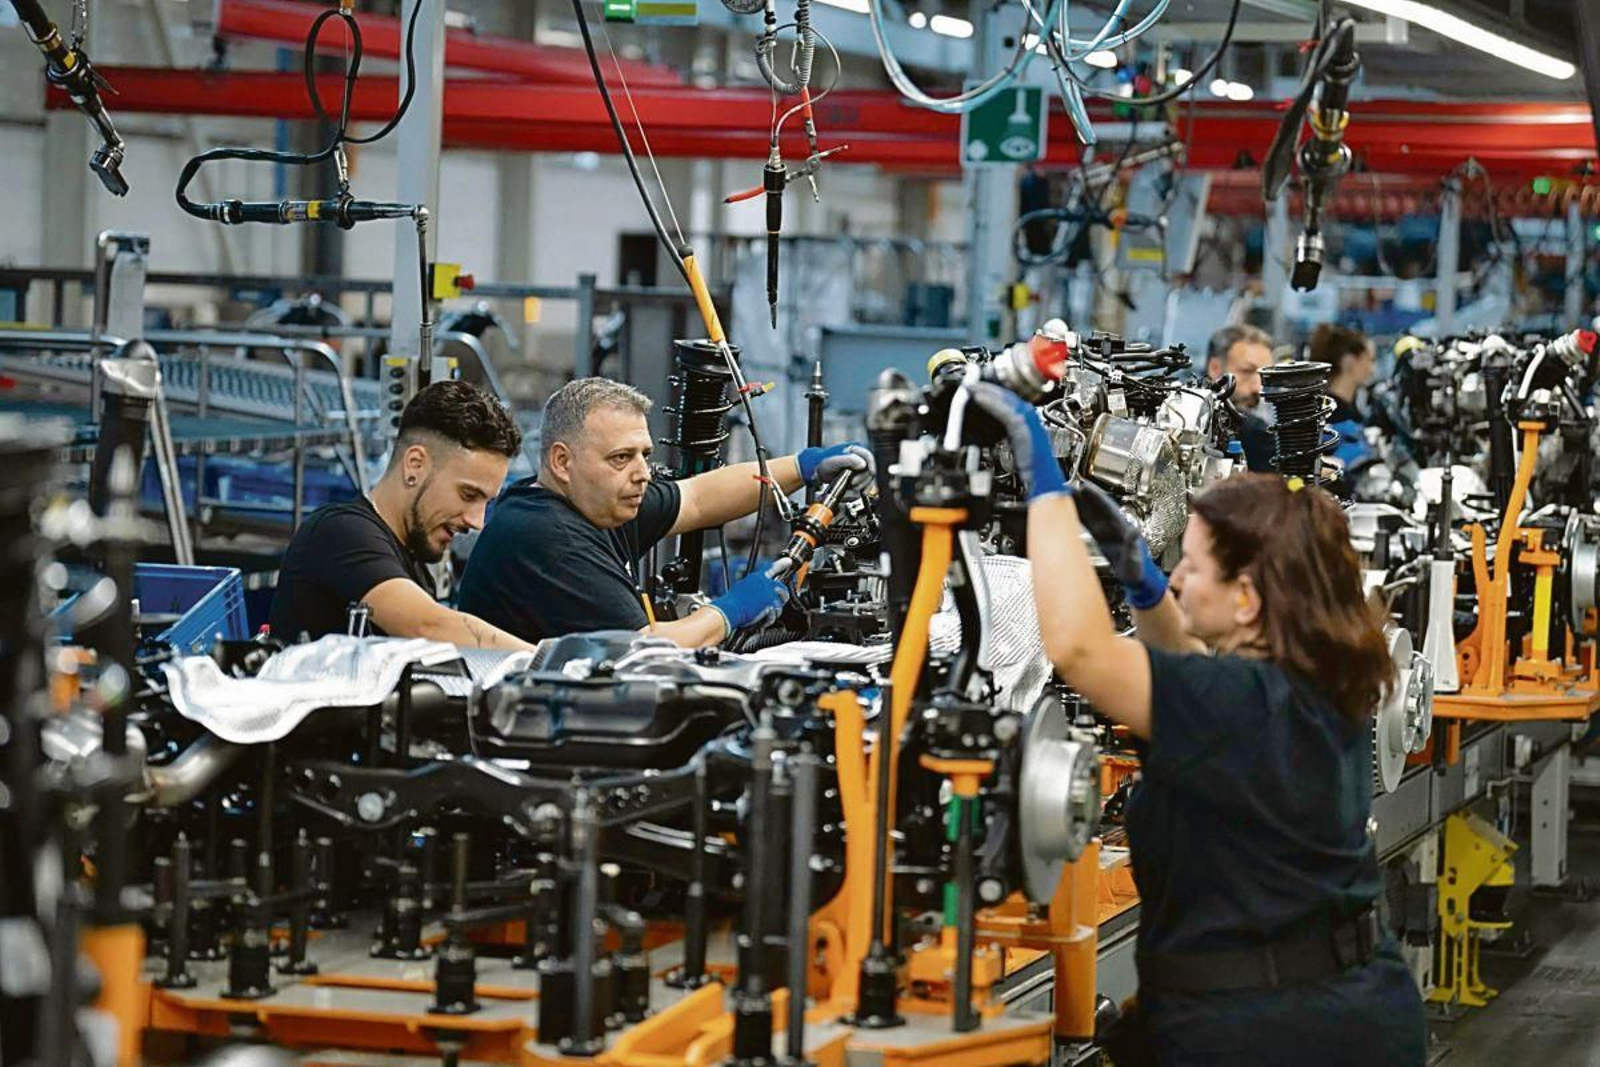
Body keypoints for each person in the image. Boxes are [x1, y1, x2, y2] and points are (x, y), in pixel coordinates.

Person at [967, 382, 1426, 1066]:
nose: (1179, 575)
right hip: (1324, 1014)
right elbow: (1187, 670)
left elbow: (1080, 650)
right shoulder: (1297, 684)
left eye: (1192, 562)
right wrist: (1145, 587)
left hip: (1277, 1035)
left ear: (1246, 599)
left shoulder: (1245, 700)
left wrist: (1047, 491)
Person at [458, 377, 872, 648]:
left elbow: (696, 497)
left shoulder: (596, 500)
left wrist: (802, 466)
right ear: (563, 462)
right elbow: (645, 650)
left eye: (644, 455)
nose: (641, 474)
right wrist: (729, 612)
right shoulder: (546, 535)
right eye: (621, 457)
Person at [269, 381, 535, 650]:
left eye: (487, 502)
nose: (476, 521)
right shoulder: (340, 532)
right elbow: (429, 625)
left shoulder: (414, 565)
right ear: (415, 465)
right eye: (468, 494)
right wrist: (541, 660)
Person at [1205, 323, 1276, 473]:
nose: (1257, 388)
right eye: (1247, 371)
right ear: (1215, 368)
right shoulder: (1256, 433)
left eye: (1264, 376)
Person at [1311, 322, 1378, 471]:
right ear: (1349, 362)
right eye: (1370, 360)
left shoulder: (1345, 409)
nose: (1372, 370)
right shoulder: (1332, 413)